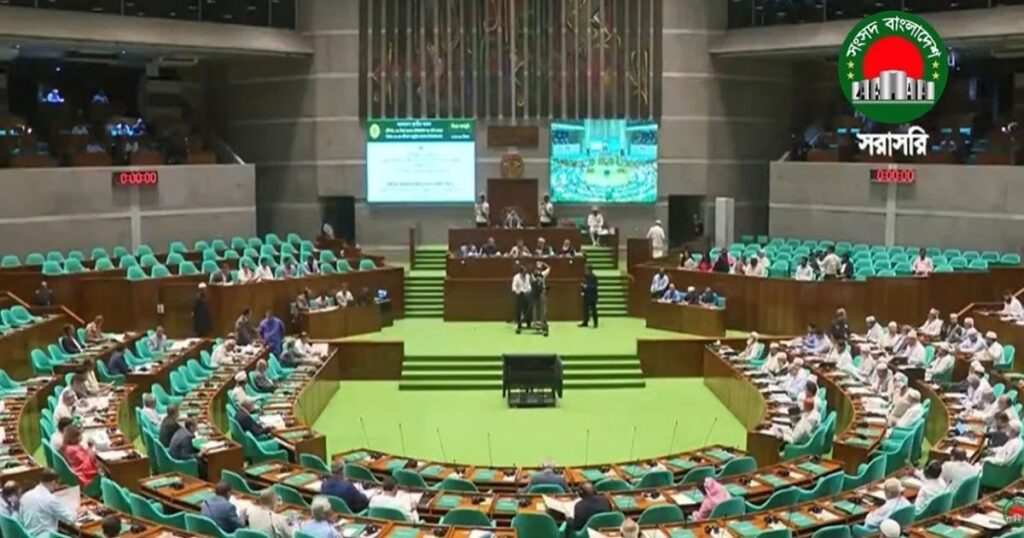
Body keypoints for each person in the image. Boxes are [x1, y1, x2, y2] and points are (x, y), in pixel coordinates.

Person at [18, 469, 76, 536]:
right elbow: (70, 519)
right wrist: (78, 511)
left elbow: (21, 520)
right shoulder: (50, 499)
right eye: (59, 483)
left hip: (28, 535)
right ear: (53, 482)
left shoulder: (25, 496)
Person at [531, 261, 551, 336]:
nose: (538, 270)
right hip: (535, 293)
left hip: (542, 293)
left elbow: (549, 268)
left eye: (540, 268)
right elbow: (533, 282)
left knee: (543, 310)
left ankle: (543, 324)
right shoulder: (533, 275)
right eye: (537, 268)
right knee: (535, 309)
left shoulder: (543, 274)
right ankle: (535, 324)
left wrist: (543, 263)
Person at [512, 265, 532, 334]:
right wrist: (516, 291)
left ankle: (528, 323)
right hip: (520, 295)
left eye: (525, 272)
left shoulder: (528, 276)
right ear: (520, 272)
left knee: (528, 310)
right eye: (523, 272)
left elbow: (529, 285)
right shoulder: (516, 277)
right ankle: (519, 324)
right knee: (519, 310)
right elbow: (514, 287)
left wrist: (529, 291)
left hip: (527, 295)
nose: (525, 274)